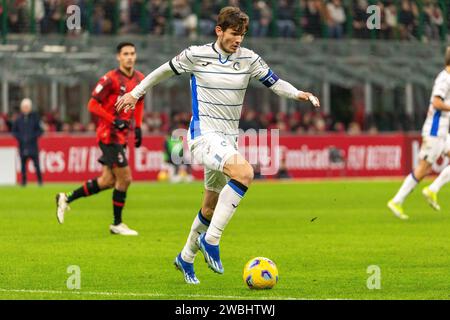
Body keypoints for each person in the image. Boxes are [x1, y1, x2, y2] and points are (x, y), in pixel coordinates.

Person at [116, 6, 320, 284]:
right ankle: (211, 240)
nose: (239, 40)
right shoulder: (195, 55)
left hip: (227, 140)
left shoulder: (249, 59)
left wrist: (298, 94)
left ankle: (185, 257)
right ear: (219, 31)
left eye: (243, 35)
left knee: (210, 207)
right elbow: (161, 72)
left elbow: (274, 82)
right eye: (234, 34)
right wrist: (134, 93)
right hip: (203, 136)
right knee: (245, 173)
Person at [55, 42, 145, 236]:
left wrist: (137, 127)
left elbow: (138, 103)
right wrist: (113, 120)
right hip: (108, 135)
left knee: (107, 181)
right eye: (125, 54)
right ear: (118, 57)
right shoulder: (110, 79)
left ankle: (66, 198)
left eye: (132, 53)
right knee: (126, 178)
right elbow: (92, 105)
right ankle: (117, 223)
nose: (129, 57)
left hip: (121, 136)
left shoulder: (140, 79)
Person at [388, 47, 450, 220]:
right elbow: (437, 102)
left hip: (442, 131)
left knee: (425, 168)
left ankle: (433, 189)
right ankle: (397, 200)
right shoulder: (444, 79)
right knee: (423, 169)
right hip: (435, 130)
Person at [12, 98, 43, 186]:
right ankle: (23, 181)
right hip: (22, 145)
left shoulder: (35, 118)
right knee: (23, 165)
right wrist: (21, 138)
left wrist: (32, 137)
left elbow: (40, 131)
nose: (25, 108)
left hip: (33, 145)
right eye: (24, 107)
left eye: (27, 107)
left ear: (30, 107)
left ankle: (40, 181)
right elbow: (14, 131)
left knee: (36, 164)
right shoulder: (18, 119)